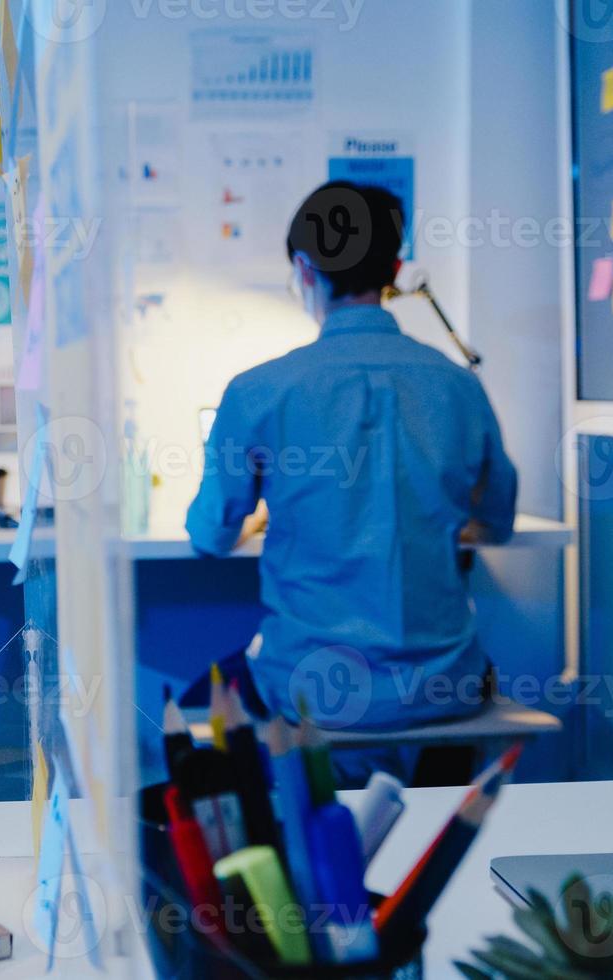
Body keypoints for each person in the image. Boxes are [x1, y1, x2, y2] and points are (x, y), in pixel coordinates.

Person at [185, 181, 518, 766]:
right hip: (446, 685)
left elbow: (209, 535)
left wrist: (266, 513)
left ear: (304, 269)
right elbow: (496, 522)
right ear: (393, 269)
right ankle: (430, 819)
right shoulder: (458, 384)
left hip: (310, 688)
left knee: (196, 703)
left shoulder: (258, 391)